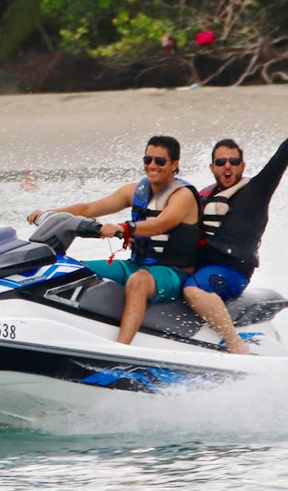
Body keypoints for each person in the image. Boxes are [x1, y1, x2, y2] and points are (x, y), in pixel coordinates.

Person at [27, 135, 200, 345]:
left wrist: (124, 228)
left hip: (173, 272)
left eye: (160, 161)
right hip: (136, 265)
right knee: (71, 271)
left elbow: (161, 224)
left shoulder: (183, 196)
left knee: (138, 282)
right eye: (148, 160)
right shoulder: (136, 191)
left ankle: (121, 349)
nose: (152, 166)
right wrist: (49, 214)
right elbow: (88, 209)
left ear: (174, 164)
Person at [184, 107, 288, 354]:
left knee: (194, 290)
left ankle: (235, 344)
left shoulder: (256, 191)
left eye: (234, 162)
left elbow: (280, 159)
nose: (228, 166)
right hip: (203, 266)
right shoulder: (205, 197)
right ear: (212, 167)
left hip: (232, 270)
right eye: (221, 162)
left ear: (242, 165)